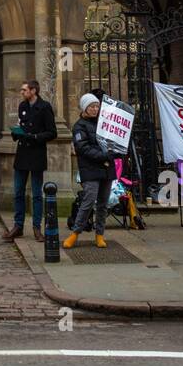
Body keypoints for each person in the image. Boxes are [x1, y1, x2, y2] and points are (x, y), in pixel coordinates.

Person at [4, 80, 57, 242]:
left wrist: (35, 137)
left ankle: (36, 227)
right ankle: (18, 225)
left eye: (24, 90)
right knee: (18, 192)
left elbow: (52, 132)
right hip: (22, 153)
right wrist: (16, 133)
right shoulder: (23, 106)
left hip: (36, 153)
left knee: (36, 195)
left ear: (33, 91)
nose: (21, 92)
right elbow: (22, 125)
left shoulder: (45, 107)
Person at [65, 92, 116, 249]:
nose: (95, 109)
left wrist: (115, 150)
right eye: (92, 107)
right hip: (90, 169)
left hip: (107, 168)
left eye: (96, 106)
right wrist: (104, 155)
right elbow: (83, 148)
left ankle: (99, 235)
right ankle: (75, 233)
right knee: (88, 200)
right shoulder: (79, 127)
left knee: (103, 204)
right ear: (84, 108)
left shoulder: (104, 123)